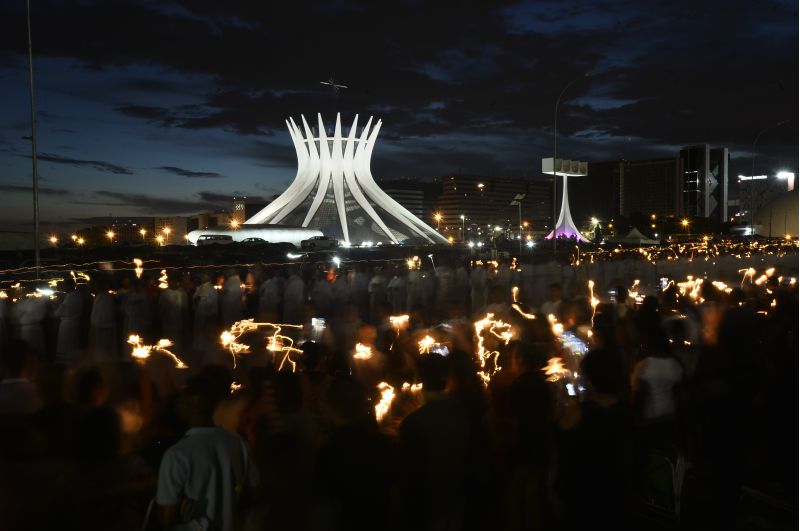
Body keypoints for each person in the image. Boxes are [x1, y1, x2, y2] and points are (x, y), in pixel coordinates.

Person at [156, 367, 260, 531]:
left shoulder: (177, 455)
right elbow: (252, 494)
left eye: (181, 399)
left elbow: (167, 518)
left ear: (186, 406)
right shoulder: (237, 443)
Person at [399, 353, 469, 530]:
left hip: (427, 503)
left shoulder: (414, 422)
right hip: (457, 496)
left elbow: (410, 473)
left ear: (420, 378)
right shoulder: (462, 412)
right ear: (447, 377)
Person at [55, 280, 85, 363]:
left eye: (64, 285)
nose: (63, 287)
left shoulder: (74, 296)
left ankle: (68, 363)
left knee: (68, 345)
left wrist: (59, 303)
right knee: (68, 344)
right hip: (70, 323)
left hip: (69, 324)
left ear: (70, 286)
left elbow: (62, 311)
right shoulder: (72, 295)